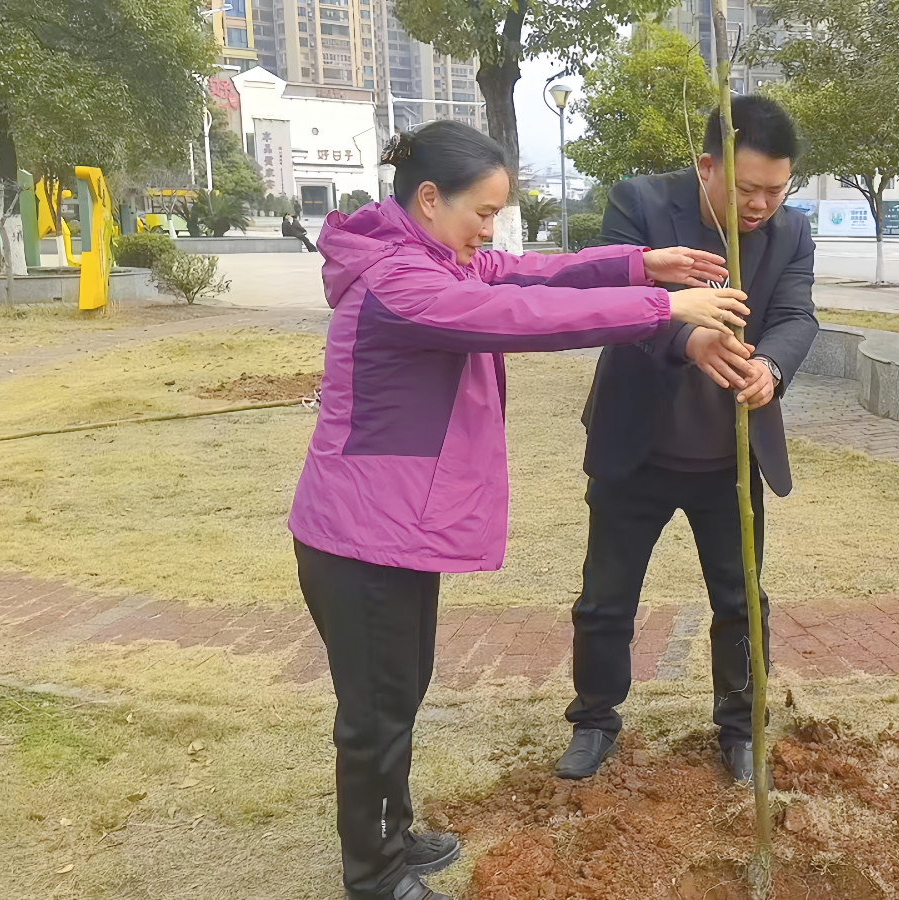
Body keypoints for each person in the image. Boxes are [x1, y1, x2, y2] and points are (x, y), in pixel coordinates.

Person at [288, 120, 751, 900]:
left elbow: (532, 274)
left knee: (399, 692)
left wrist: (640, 261)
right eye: (483, 212)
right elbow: (518, 318)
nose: (490, 231)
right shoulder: (402, 282)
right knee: (376, 711)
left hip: (392, 533)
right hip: (360, 538)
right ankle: (371, 875)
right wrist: (662, 308)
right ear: (429, 199)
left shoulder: (438, 255)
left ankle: (394, 833)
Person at [555, 96, 819, 784]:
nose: (761, 204)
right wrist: (686, 335)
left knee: (740, 600)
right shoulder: (639, 203)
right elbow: (610, 305)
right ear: (708, 167)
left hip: (729, 458)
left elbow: (795, 315)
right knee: (605, 596)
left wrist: (772, 365)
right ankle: (594, 719)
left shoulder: (791, 234)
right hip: (635, 446)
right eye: (748, 187)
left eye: (776, 189)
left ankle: (739, 727)